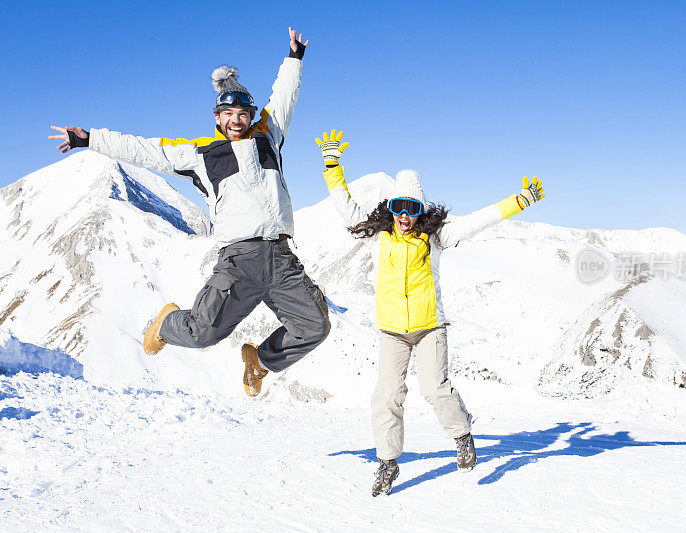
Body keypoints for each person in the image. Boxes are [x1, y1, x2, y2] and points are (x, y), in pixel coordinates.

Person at [48, 28, 330, 398]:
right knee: (201, 334)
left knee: (314, 327)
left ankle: (259, 361)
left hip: (281, 255)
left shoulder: (268, 137)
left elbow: (284, 99)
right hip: (239, 261)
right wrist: (90, 139)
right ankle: (167, 324)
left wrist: (294, 58)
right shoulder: (202, 154)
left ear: (250, 115)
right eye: (227, 113)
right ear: (217, 117)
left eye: (242, 113)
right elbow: (146, 150)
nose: (235, 119)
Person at [315, 129, 545, 496]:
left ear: (420, 210)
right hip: (391, 331)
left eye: (412, 208)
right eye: (397, 208)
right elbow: (345, 206)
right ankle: (388, 463)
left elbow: (477, 220)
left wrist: (517, 202)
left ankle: (463, 434)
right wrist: (332, 166)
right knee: (386, 395)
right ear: (390, 209)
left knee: (434, 389)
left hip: (429, 328)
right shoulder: (379, 235)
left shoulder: (435, 237)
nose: (404, 216)